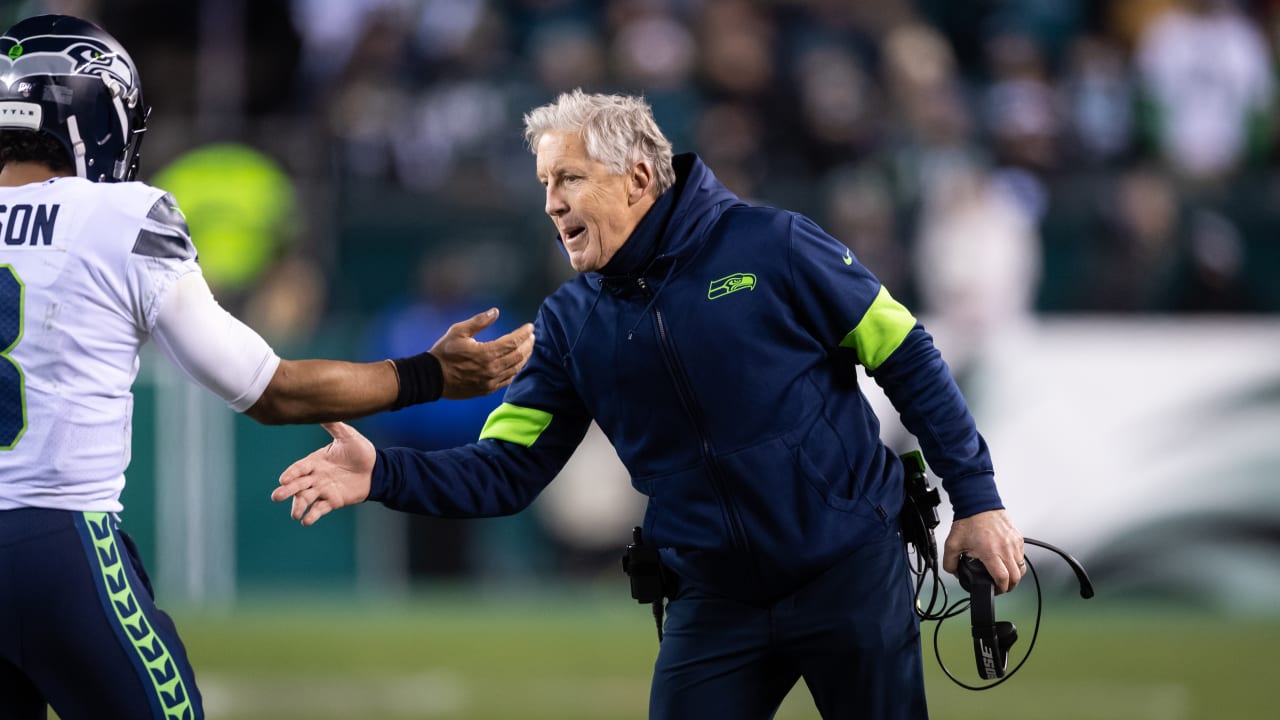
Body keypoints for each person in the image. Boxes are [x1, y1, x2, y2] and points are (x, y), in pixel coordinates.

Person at [273, 89, 1025, 720]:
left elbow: (908, 357)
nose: (550, 202)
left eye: (567, 179)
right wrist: (382, 474)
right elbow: (506, 471)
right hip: (714, 600)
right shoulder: (570, 325)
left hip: (847, 573)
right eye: (543, 184)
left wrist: (978, 501)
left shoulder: (774, 245)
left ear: (635, 178)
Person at [0, 14, 533, 720]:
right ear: (93, 111)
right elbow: (268, 389)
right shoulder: (119, 215)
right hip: (57, 543)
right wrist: (429, 375)